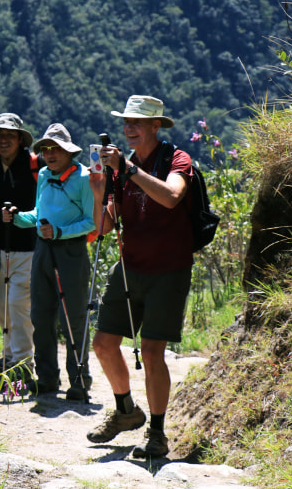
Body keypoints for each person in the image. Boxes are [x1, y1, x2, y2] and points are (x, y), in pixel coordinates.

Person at [86, 95, 193, 458]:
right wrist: (101, 192)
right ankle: (126, 411)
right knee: (102, 343)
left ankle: (158, 434)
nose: (128, 128)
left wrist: (128, 171)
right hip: (130, 266)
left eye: (136, 123)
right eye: (126, 122)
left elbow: (172, 197)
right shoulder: (122, 167)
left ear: (155, 126)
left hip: (168, 269)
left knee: (151, 351)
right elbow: (105, 226)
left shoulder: (177, 160)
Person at [2, 123, 95, 399]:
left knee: (73, 318)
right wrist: (18, 218)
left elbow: (91, 222)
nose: (50, 154)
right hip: (43, 250)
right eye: (46, 149)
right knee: (40, 315)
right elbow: (39, 213)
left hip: (71, 253)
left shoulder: (83, 178)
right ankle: (47, 378)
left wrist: (60, 232)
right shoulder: (43, 174)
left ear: (69, 152)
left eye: (56, 149)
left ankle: (79, 382)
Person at [0, 113, 44, 380]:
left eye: (9, 136)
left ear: (19, 140)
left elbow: (45, 200)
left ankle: (24, 363)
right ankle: (11, 354)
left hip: (27, 248)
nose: (3, 140)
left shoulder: (36, 166)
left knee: (17, 305)